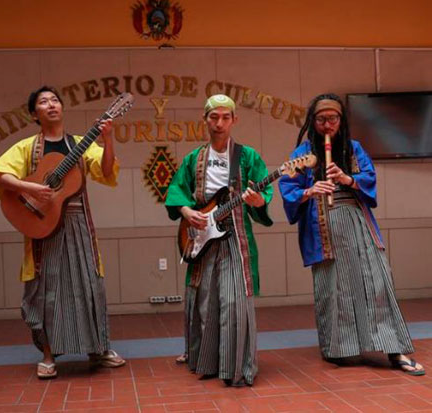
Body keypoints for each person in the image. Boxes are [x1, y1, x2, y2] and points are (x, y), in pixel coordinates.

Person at [278, 93, 424, 375]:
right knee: (333, 288)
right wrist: (310, 190)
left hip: (357, 223)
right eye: (321, 120)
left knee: (377, 282)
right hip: (323, 227)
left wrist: (347, 179)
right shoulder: (301, 154)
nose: (327, 125)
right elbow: (288, 189)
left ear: (341, 121)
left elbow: (369, 179)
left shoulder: (354, 149)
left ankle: (394, 349)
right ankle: (338, 349)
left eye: (333, 119)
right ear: (313, 122)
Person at [0, 85, 125, 379]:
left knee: (90, 284)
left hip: (78, 226)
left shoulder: (80, 143)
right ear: (34, 113)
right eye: (43, 101)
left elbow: (106, 172)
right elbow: (2, 175)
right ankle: (49, 355)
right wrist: (32, 188)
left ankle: (98, 349)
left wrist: (108, 139)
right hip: (43, 228)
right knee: (47, 292)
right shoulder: (27, 147)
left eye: (55, 100)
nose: (51, 105)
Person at [165, 94, 273, 386]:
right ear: (205, 120)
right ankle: (208, 362)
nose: (220, 123)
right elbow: (176, 191)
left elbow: (264, 196)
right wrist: (188, 212)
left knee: (235, 302)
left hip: (237, 239)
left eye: (226, 117)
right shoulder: (193, 159)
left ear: (234, 120)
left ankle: (236, 368)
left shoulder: (248, 156)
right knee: (206, 302)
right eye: (214, 117)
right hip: (203, 238)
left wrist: (259, 201)